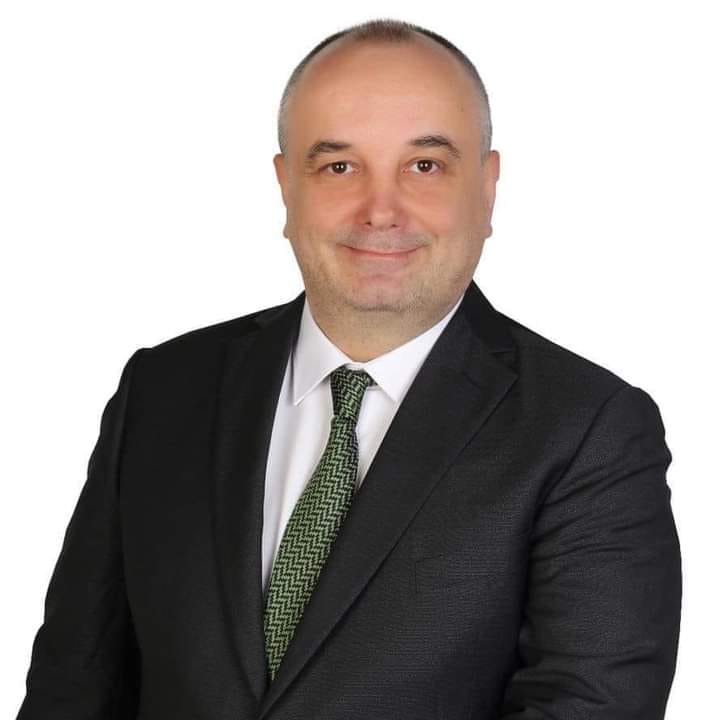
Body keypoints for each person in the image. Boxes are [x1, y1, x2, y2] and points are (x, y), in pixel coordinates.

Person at [16, 17, 681, 720]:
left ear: (487, 189)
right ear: (286, 187)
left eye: (424, 166)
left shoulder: (588, 431)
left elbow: (588, 706)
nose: (380, 210)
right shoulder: (164, 390)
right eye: (339, 166)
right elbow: (72, 686)